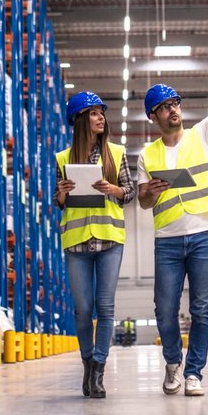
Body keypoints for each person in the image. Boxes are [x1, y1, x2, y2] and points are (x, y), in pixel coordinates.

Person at [138, 35, 208, 397]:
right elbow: (141, 201)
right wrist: (149, 192)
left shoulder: (202, 135)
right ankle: (173, 361)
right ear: (154, 116)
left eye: (175, 104)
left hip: (204, 234)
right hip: (168, 240)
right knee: (164, 309)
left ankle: (194, 373)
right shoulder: (146, 155)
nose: (173, 109)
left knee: (202, 309)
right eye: (165, 107)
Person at [54, 91, 133, 399]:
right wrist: (62, 192)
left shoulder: (117, 152)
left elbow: (128, 192)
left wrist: (112, 188)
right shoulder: (63, 158)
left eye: (102, 113)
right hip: (76, 242)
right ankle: (87, 361)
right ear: (80, 120)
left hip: (110, 239)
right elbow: (59, 203)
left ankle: (98, 368)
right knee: (82, 309)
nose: (101, 117)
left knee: (105, 306)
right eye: (94, 113)